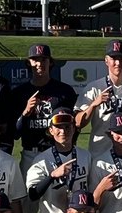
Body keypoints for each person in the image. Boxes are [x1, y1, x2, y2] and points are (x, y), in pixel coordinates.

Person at [25, 108, 93, 213]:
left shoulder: (85, 156)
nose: (63, 131)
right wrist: (52, 176)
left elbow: (91, 188)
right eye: (58, 127)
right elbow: (33, 195)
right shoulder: (42, 160)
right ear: (51, 130)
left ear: (74, 129)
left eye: (67, 127)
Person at [13, 43, 78, 176]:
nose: (39, 64)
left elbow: (74, 126)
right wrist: (26, 112)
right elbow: (15, 133)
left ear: (50, 62)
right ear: (29, 62)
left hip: (58, 151)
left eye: (44, 59)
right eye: (35, 59)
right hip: (31, 153)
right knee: (31, 195)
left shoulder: (64, 91)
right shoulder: (19, 93)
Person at [75, 38, 122, 156]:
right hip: (99, 154)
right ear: (106, 60)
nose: (118, 63)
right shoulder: (94, 88)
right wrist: (94, 104)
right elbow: (78, 123)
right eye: (113, 58)